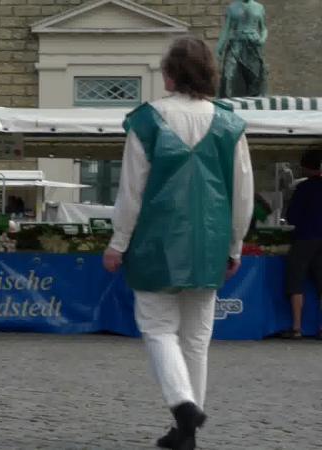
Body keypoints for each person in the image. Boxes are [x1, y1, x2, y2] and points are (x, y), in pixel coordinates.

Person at [103, 37, 254, 450]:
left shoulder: (147, 121)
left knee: (157, 328)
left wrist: (118, 242)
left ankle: (183, 405)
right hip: (208, 244)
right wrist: (235, 245)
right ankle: (187, 430)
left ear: (169, 75)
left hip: (157, 242)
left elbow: (131, 191)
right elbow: (242, 193)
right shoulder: (229, 124)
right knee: (196, 339)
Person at [281, 150, 322, 339]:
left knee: (296, 281)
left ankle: (296, 327)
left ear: (305, 167)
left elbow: (292, 216)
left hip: (305, 238)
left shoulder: (303, 188)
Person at [217, 0, 268, 97]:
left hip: (253, 45)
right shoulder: (232, 8)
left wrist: (262, 39)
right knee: (228, 73)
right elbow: (226, 29)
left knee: (255, 76)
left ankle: (256, 100)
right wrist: (219, 48)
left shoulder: (259, 7)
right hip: (236, 43)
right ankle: (227, 98)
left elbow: (264, 28)